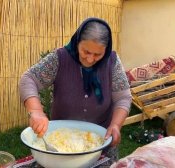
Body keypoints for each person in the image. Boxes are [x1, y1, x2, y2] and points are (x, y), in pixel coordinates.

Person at [19, 17, 132, 164]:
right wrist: (36, 111)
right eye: (86, 51)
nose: (90, 59)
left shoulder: (112, 62)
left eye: (98, 54)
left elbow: (123, 97)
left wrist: (116, 124)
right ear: (77, 41)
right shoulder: (60, 58)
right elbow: (28, 79)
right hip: (60, 144)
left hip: (100, 144)